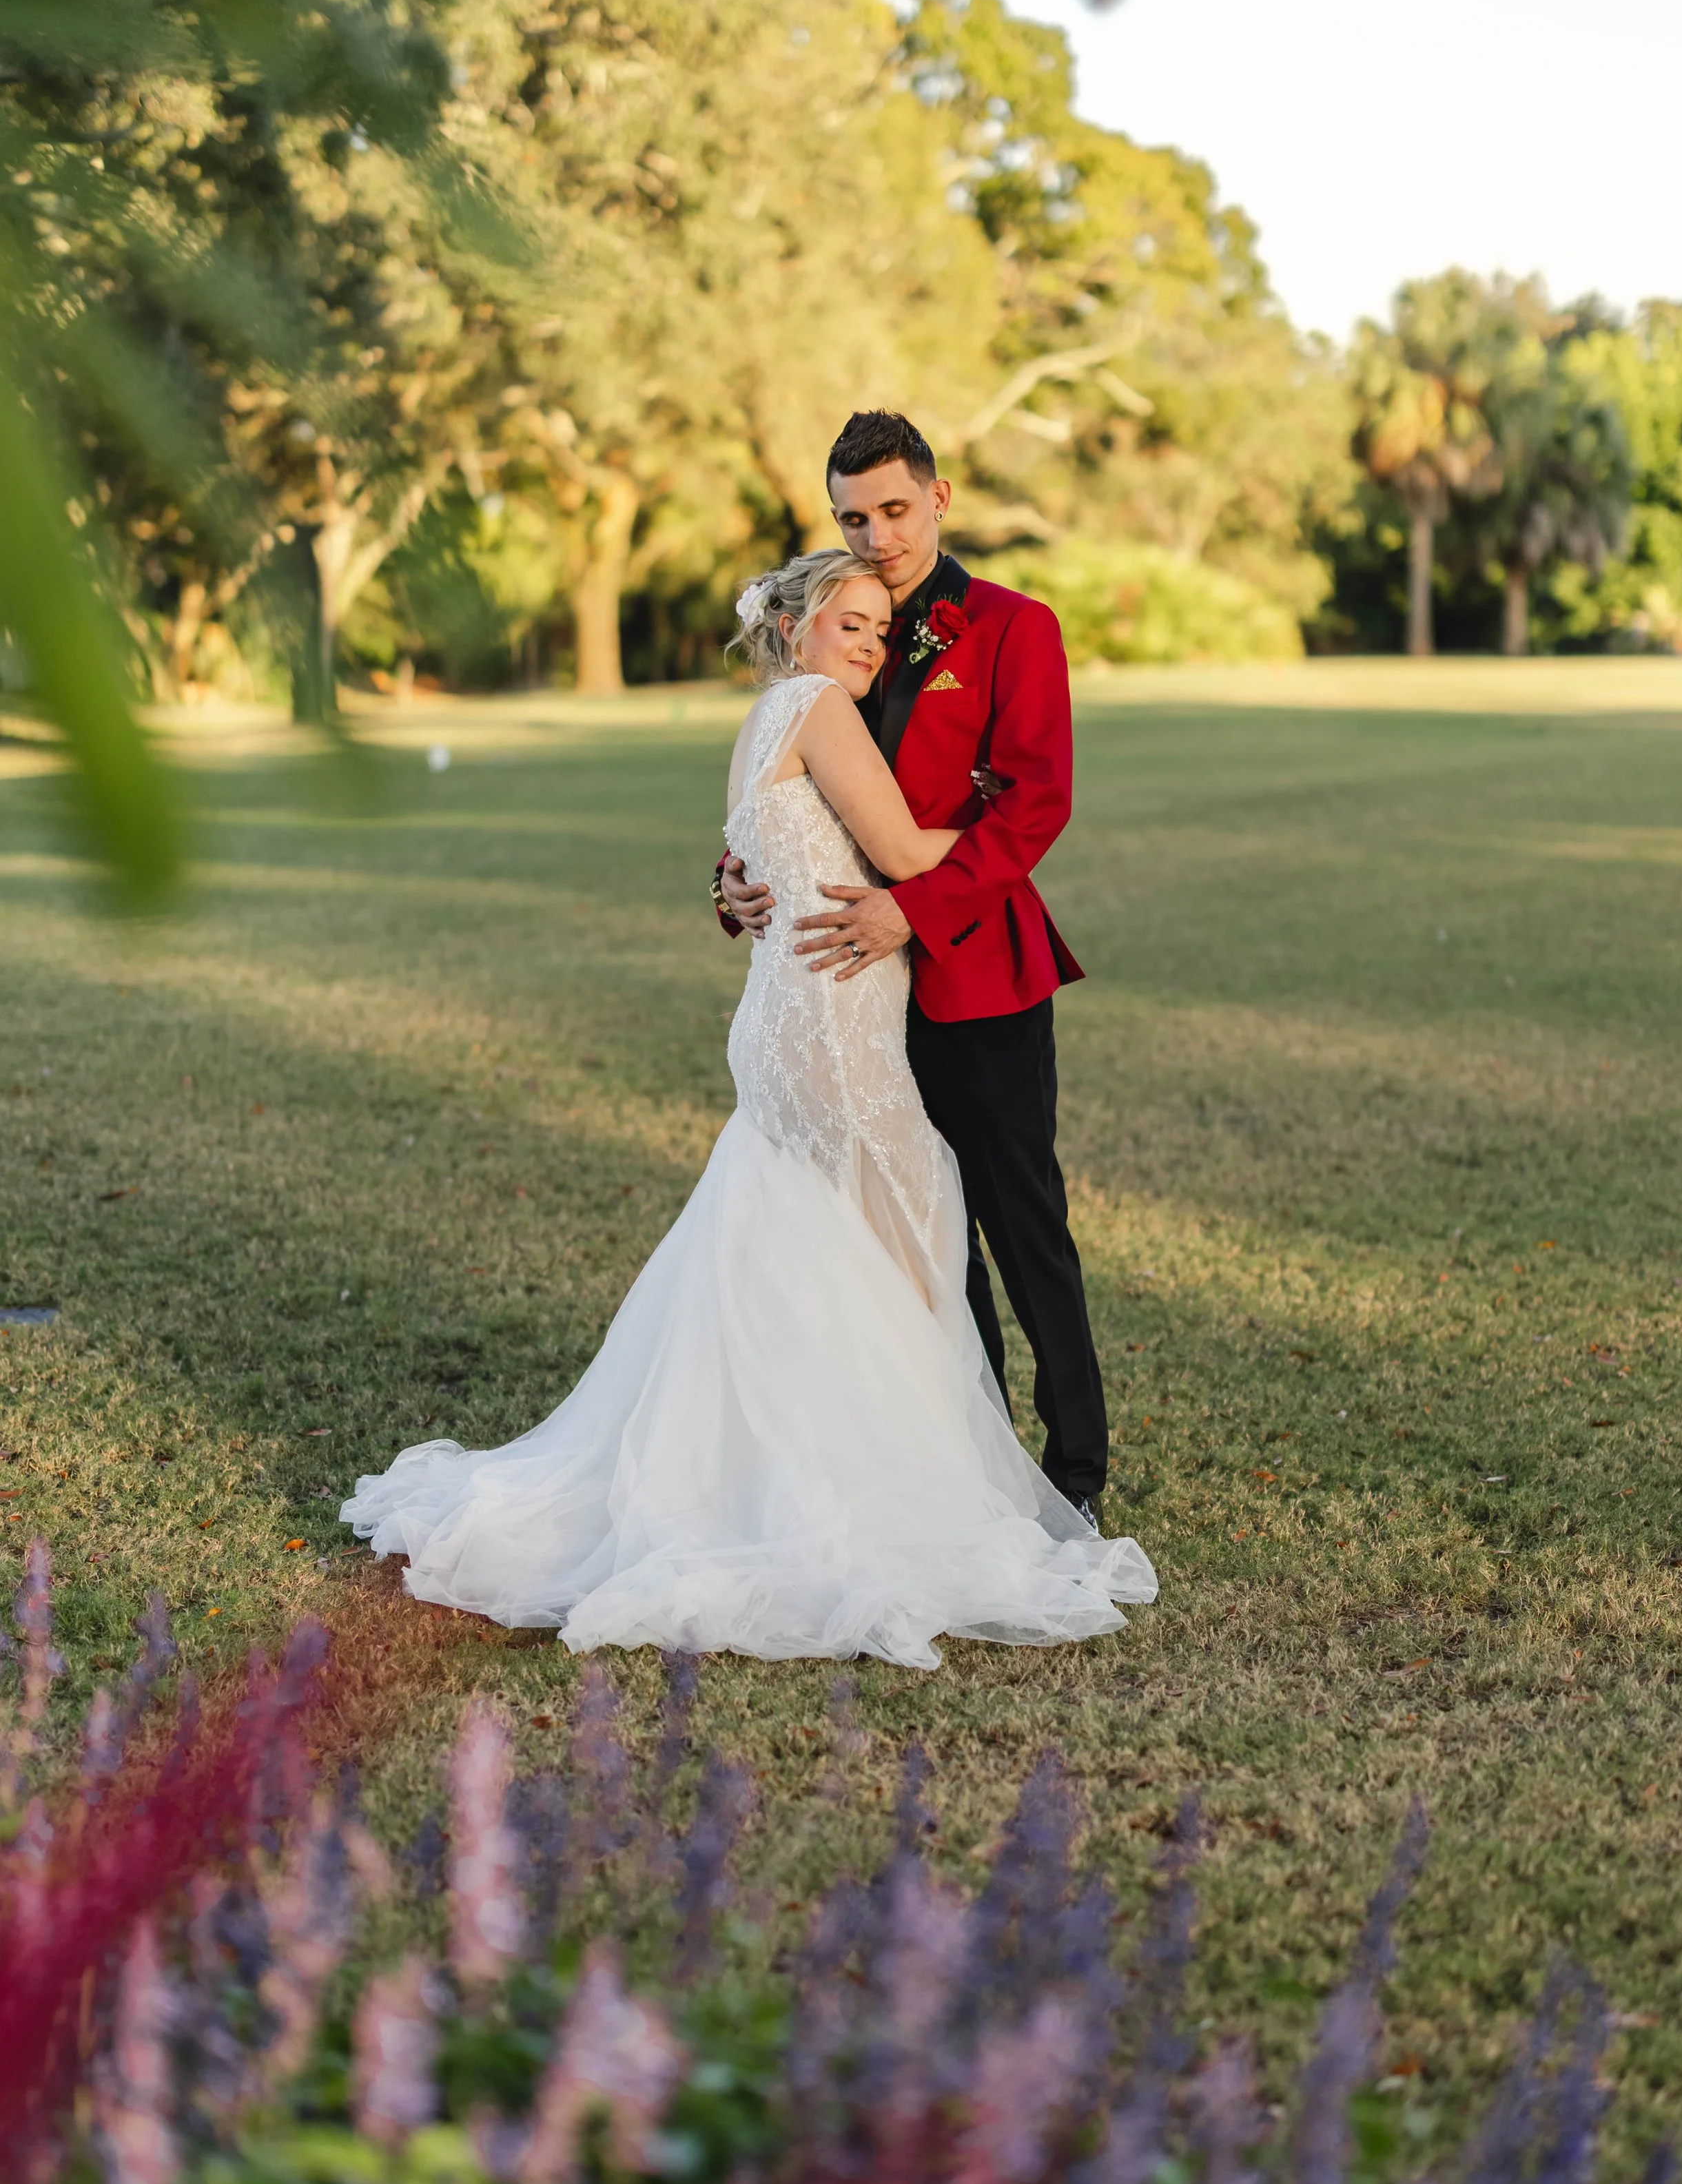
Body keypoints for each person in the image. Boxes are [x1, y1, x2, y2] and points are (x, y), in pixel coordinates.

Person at [342, 552, 1156, 1669]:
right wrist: (987, 832)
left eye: (878, 626)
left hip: (812, 1014)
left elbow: (773, 839)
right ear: (797, 626)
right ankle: (898, 1488)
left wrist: (748, 880)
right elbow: (905, 849)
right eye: (851, 623)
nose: (871, 644)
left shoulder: (805, 701)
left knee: (821, 1239)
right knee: (912, 1224)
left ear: (933, 505)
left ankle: (902, 1467)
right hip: (830, 1023)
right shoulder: (819, 704)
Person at [719, 411, 1113, 1526]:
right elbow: (796, 797)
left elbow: (1037, 802)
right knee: (923, 1235)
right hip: (856, 992)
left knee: (1018, 1218)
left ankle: (1075, 1467)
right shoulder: (843, 630)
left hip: (977, 970)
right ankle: (970, 1464)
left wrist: (913, 908)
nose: (878, 532)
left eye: (895, 508)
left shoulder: (1012, 627)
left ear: (938, 499)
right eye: (853, 515)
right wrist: (733, 881)